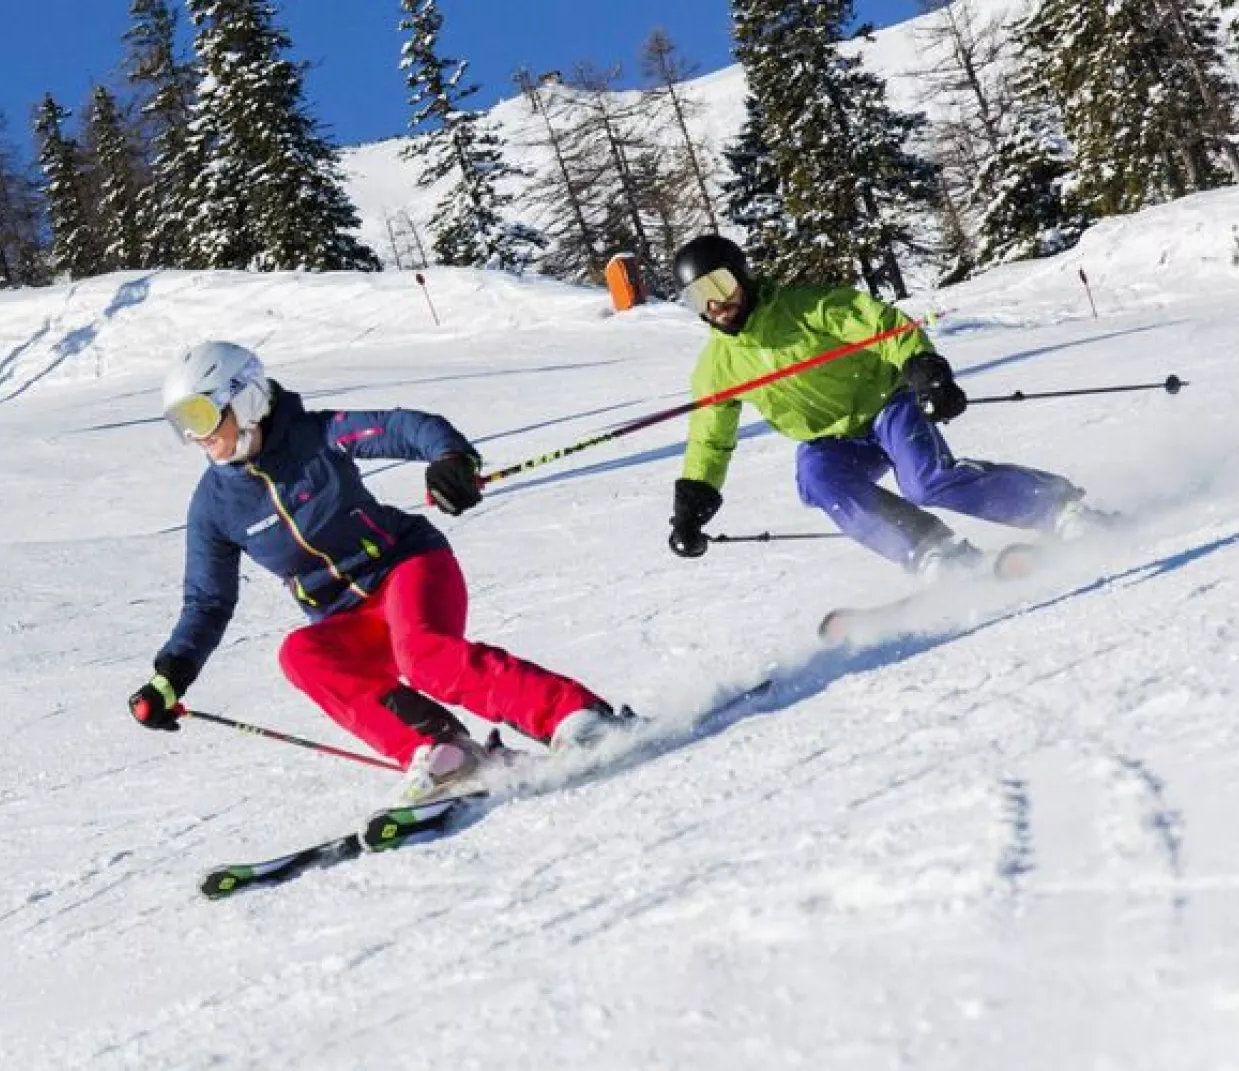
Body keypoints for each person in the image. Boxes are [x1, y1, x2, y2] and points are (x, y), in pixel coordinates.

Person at [128, 341, 629, 805]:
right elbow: (208, 602)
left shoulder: (316, 436)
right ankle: (444, 753)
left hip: (406, 567)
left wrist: (451, 459)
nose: (198, 435)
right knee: (302, 654)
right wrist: (172, 674)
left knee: (426, 657)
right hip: (344, 617)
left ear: (247, 398)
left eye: (202, 413)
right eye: (181, 424)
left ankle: (577, 717)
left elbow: (406, 427)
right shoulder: (214, 506)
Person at [665, 235, 1110, 577]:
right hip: (833, 442)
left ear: (741, 275)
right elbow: (710, 437)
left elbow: (880, 325)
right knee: (817, 477)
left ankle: (1057, 508)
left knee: (926, 482)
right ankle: (930, 549)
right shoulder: (717, 367)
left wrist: (922, 368)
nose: (716, 304)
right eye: (698, 298)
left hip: (886, 405)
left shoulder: (804, 308)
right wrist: (693, 503)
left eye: (720, 285)